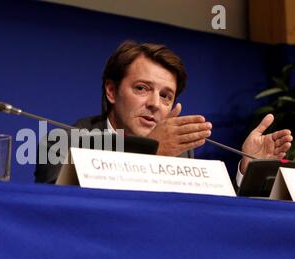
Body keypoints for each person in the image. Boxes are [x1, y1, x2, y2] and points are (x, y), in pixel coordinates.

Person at [35, 40, 293, 184]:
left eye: (166, 96)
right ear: (111, 92)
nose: (155, 104)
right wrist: (151, 152)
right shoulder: (62, 142)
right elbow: (60, 212)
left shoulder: (180, 150)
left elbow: (207, 216)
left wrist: (250, 170)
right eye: (142, 88)